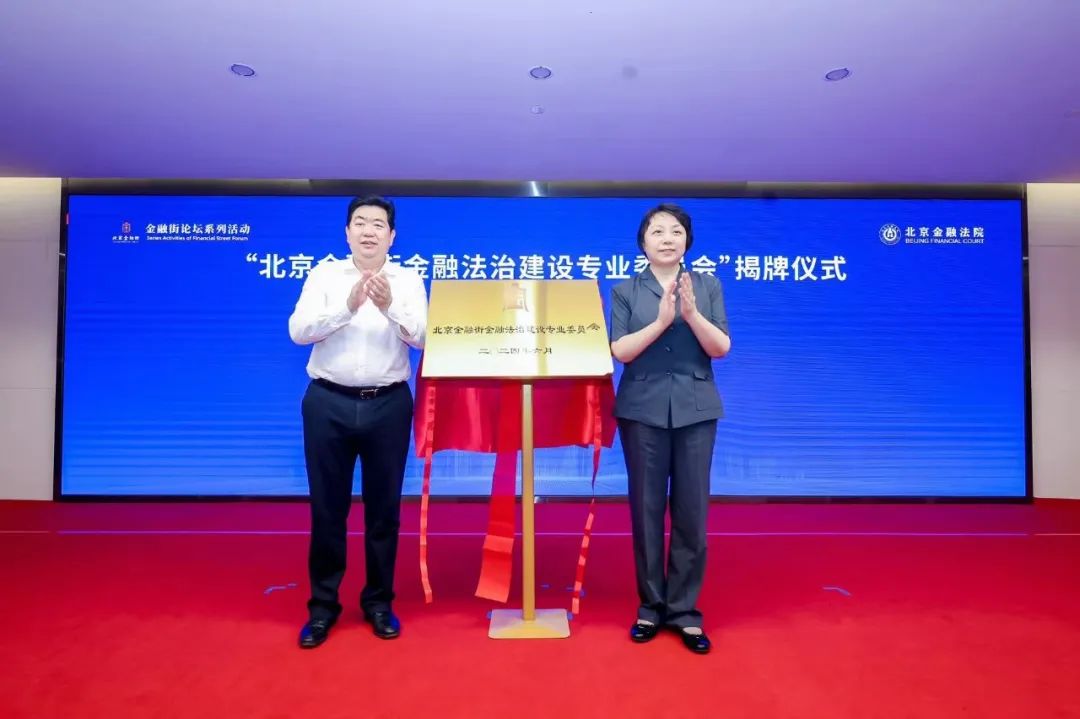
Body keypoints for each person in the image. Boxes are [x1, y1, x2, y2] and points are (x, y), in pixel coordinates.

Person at [288, 195, 427, 648]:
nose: (369, 231)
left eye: (378, 224)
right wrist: (347, 306)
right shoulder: (324, 275)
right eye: (361, 223)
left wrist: (390, 308)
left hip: (388, 404)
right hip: (327, 402)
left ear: (392, 236)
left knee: (384, 511)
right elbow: (298, 331)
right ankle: (322, 608)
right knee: (327, 509)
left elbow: (425, 337)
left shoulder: (408, 279)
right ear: (347, 232)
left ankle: (379, 602)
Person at [608, 203, 731, 654]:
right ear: (642, 242)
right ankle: (650, 606)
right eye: (657, 231)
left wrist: (692, 314)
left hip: (696, 409)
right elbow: (620, 350)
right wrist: (661, 321)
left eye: (675, 231)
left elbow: (721, 347)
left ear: (687, 241)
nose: (666, 238)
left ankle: (684, 611)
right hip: (642, 409)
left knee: (692, 511)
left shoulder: (708, 285)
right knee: (645, 509)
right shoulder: (625, 290)